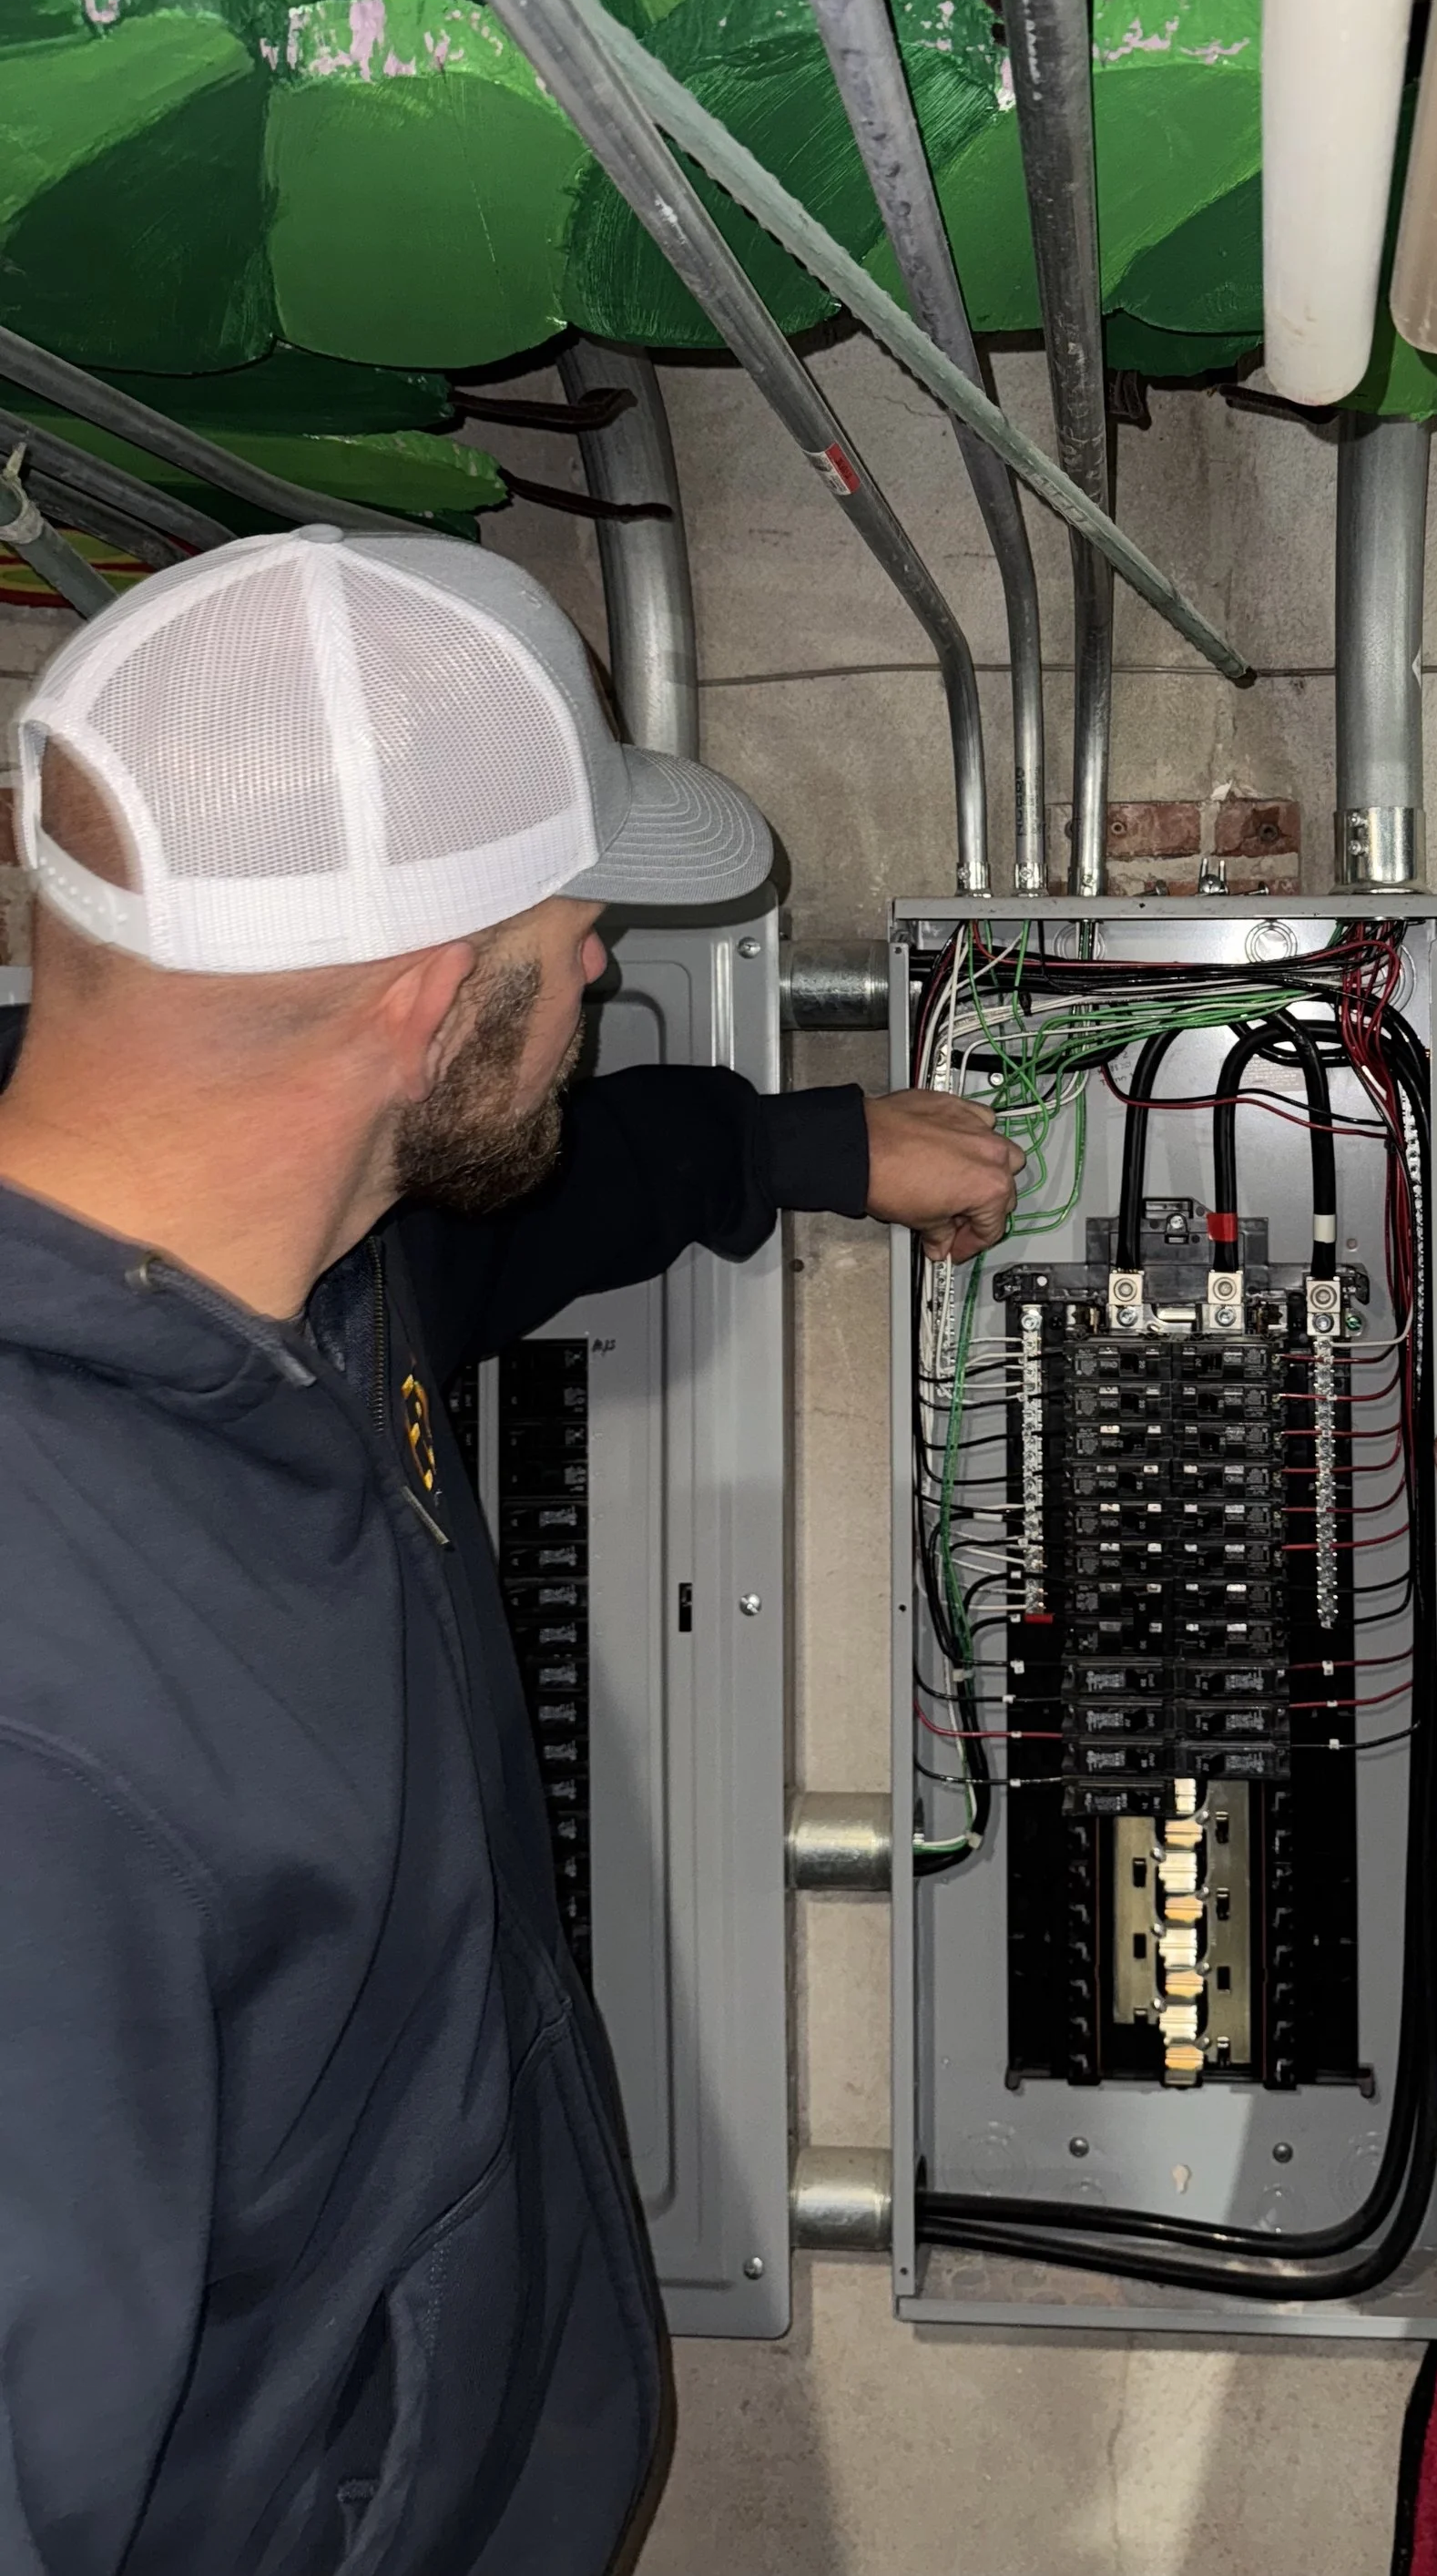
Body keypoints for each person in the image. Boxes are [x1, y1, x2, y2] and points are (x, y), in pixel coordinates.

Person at [0, 526, 1018, 2574]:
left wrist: (800, 1147)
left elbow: (526, 1201)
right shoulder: (48, 1711)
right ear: (408, 997)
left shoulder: (310, 1262)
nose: (605, 968)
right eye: (575, 932)